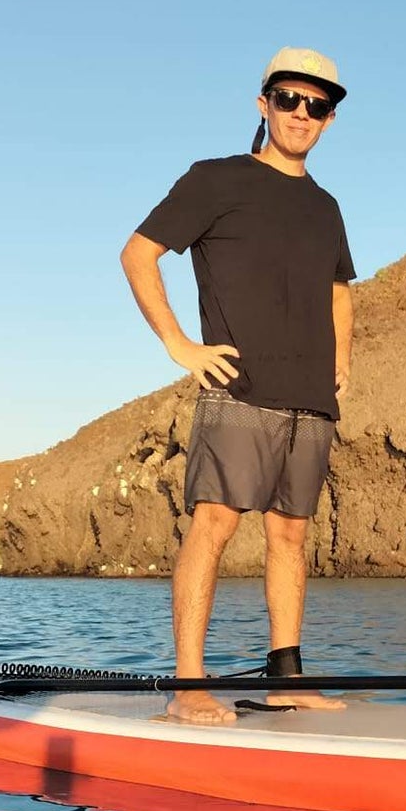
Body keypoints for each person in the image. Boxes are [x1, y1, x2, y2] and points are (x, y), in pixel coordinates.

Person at [121, 48, 355, 722]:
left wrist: (343, 357)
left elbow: (340, 289)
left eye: (316, 105)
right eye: (288, 99)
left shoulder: (325, 206)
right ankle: (187, 689)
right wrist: (177, 343)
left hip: (310, 397)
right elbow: (138, 254)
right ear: (264, 104)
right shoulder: (215, 179)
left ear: (330, 119)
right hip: (239, 389)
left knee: (290, 537)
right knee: (214, 525)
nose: (301, 114)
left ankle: (286, 678)